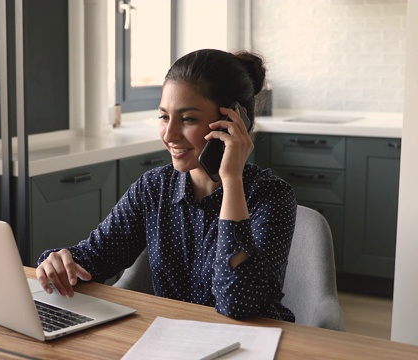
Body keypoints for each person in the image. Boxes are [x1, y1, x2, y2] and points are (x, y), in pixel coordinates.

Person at [36, 49, 297, 322]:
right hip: (174, 342)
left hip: (254, 344)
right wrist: (58, 263)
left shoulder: (271, 196)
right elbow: (93, 259)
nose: (169, 135)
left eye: (188, 119)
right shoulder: (154, 188)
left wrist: (231, 181)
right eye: (164, 117)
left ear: (233, 123)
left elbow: (238, 303)